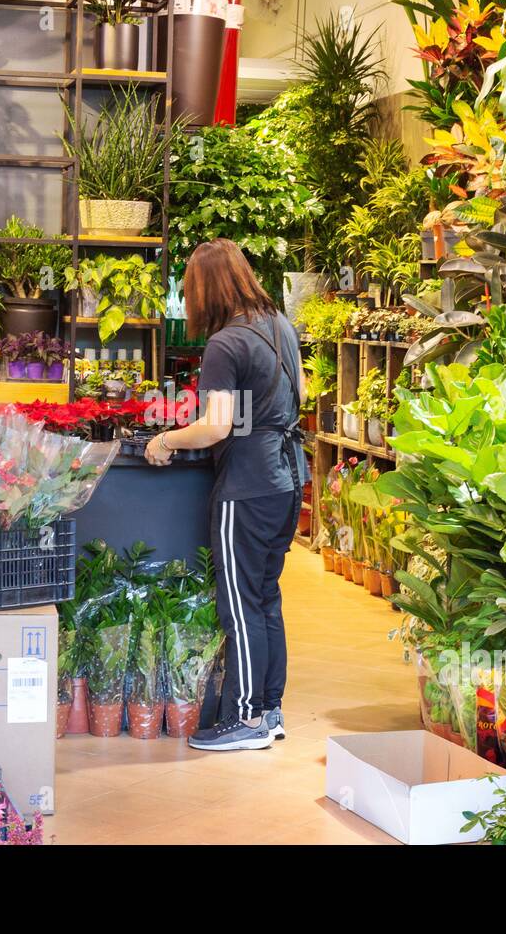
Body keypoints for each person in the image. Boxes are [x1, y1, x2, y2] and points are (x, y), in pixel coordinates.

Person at [144, 239, 307, 751]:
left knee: (238, 605)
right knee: (266, 599)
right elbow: (293, 395)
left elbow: (215, 427)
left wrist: (165, 438)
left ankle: (244, 720)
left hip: (247, 487)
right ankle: (269, 710)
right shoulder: (279, 326)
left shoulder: (225, 343)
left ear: (203, 290)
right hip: (286, 479)